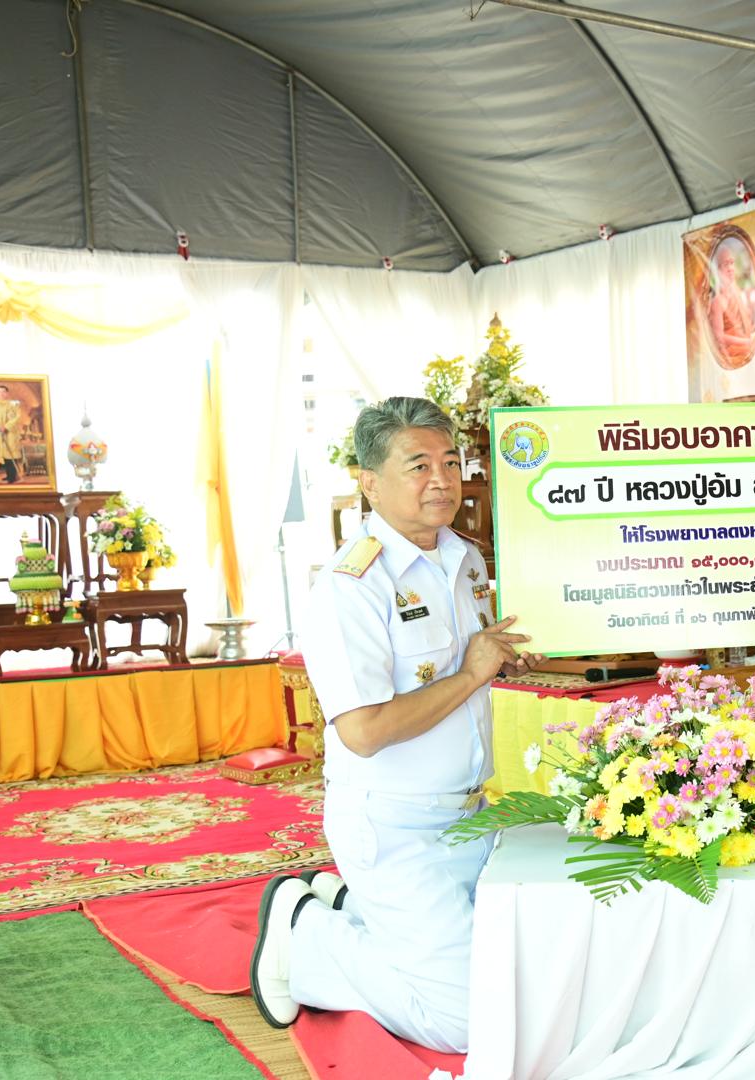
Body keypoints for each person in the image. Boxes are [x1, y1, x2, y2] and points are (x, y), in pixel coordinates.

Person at [249, 396, 541, 1050]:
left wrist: (501, 660)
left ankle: (353, 911)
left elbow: (469, 663)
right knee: (467, 1023)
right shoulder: (352, 585)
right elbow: (364, 731)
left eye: (451, 462)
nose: (442, 480)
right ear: (370, 482)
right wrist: (471, 675)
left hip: (471, 816)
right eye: (418, 466)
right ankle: (309, 934)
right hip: (394, 828)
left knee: (530, 983)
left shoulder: (465, 558)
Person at [707, 243, 755, 365]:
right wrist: (746, 342)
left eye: (732, 263)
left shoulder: (736, 291)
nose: (730, 268)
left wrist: (754, 327)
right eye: (726, 264)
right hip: (731, 351)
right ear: (717, 270)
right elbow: (719, 337)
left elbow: (745, 320)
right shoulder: (717, 301)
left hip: (745, 342)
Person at [0, 385, 23, 484]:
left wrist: (6, 426)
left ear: (7, 393)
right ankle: (8, 475)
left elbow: (17, 417)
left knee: (10, 454)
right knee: (3, 455)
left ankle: (13, 476)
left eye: (3, 392)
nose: (1, 394)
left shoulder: (13, 405)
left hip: (10, 433)